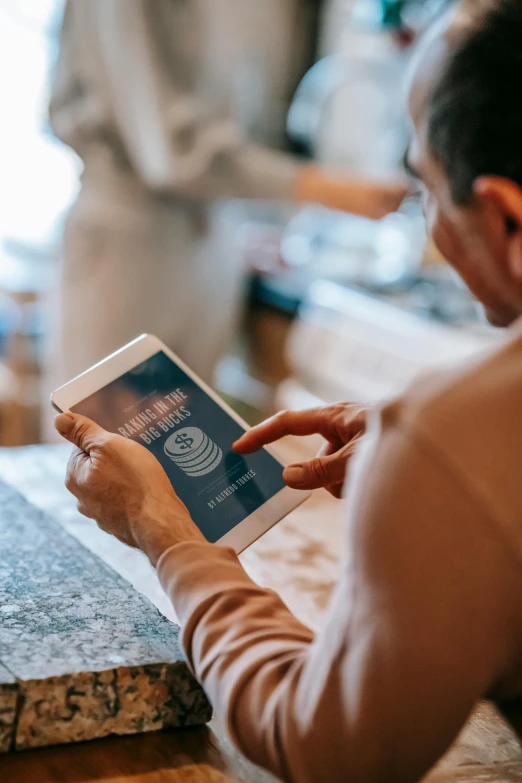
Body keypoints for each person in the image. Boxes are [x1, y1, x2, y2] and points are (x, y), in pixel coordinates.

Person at [54, 0, 522, 780]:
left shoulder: (454, 437)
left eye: (426, 189)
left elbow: (329, 748)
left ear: (507, 220)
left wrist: (169, 532)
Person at [46, 0, 405, 406]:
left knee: (191, 457)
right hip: (133, 240)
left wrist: (239, 226)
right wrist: (331, 189)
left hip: (211, 238)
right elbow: (176, 153)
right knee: (97, 445)